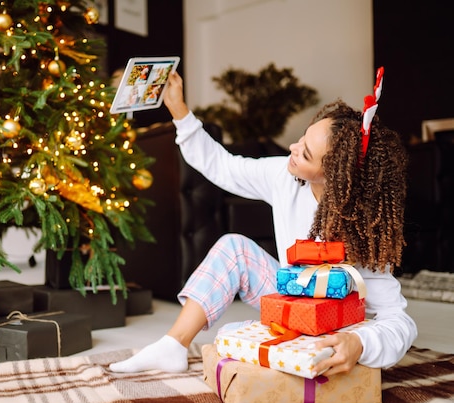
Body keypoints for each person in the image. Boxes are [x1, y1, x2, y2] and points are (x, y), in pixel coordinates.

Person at [109, 69, 418, 377]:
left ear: (334, 177)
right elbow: (223, 166)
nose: (293, 149)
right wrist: (178, 108)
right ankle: (173, 346)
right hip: (291, 302)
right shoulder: (285, 176)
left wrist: (359, 343)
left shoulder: (361, 227)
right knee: (234, 247)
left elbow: (399, 322)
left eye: (306, 154)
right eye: (301, 139)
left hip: (335, 325)